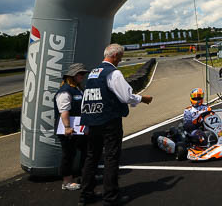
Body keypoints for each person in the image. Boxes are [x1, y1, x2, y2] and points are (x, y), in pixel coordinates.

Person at [79, 44, 153, 206]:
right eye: (119, 58)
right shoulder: (113, 73)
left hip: (92, 120)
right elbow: (125, 96)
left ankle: (85, 195)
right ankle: (110, 197)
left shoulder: (92, 73)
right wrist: (142, 99)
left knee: (91, 157)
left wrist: (84, 121)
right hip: (109, 121)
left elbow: (86, 98)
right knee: (111, 157)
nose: (120, 61)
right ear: (114, 56)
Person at [54, 63, 89, 191]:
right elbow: (64, 111)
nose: (82, 76)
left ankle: (86, 176)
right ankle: (67, 182)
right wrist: (67, 127)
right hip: (67, 128)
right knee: (68, 154)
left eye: (83, 73)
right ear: (72, 75)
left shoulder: (78, 88)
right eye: (80, 74)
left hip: (79, 127)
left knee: (87, 150)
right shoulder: (65, 91)